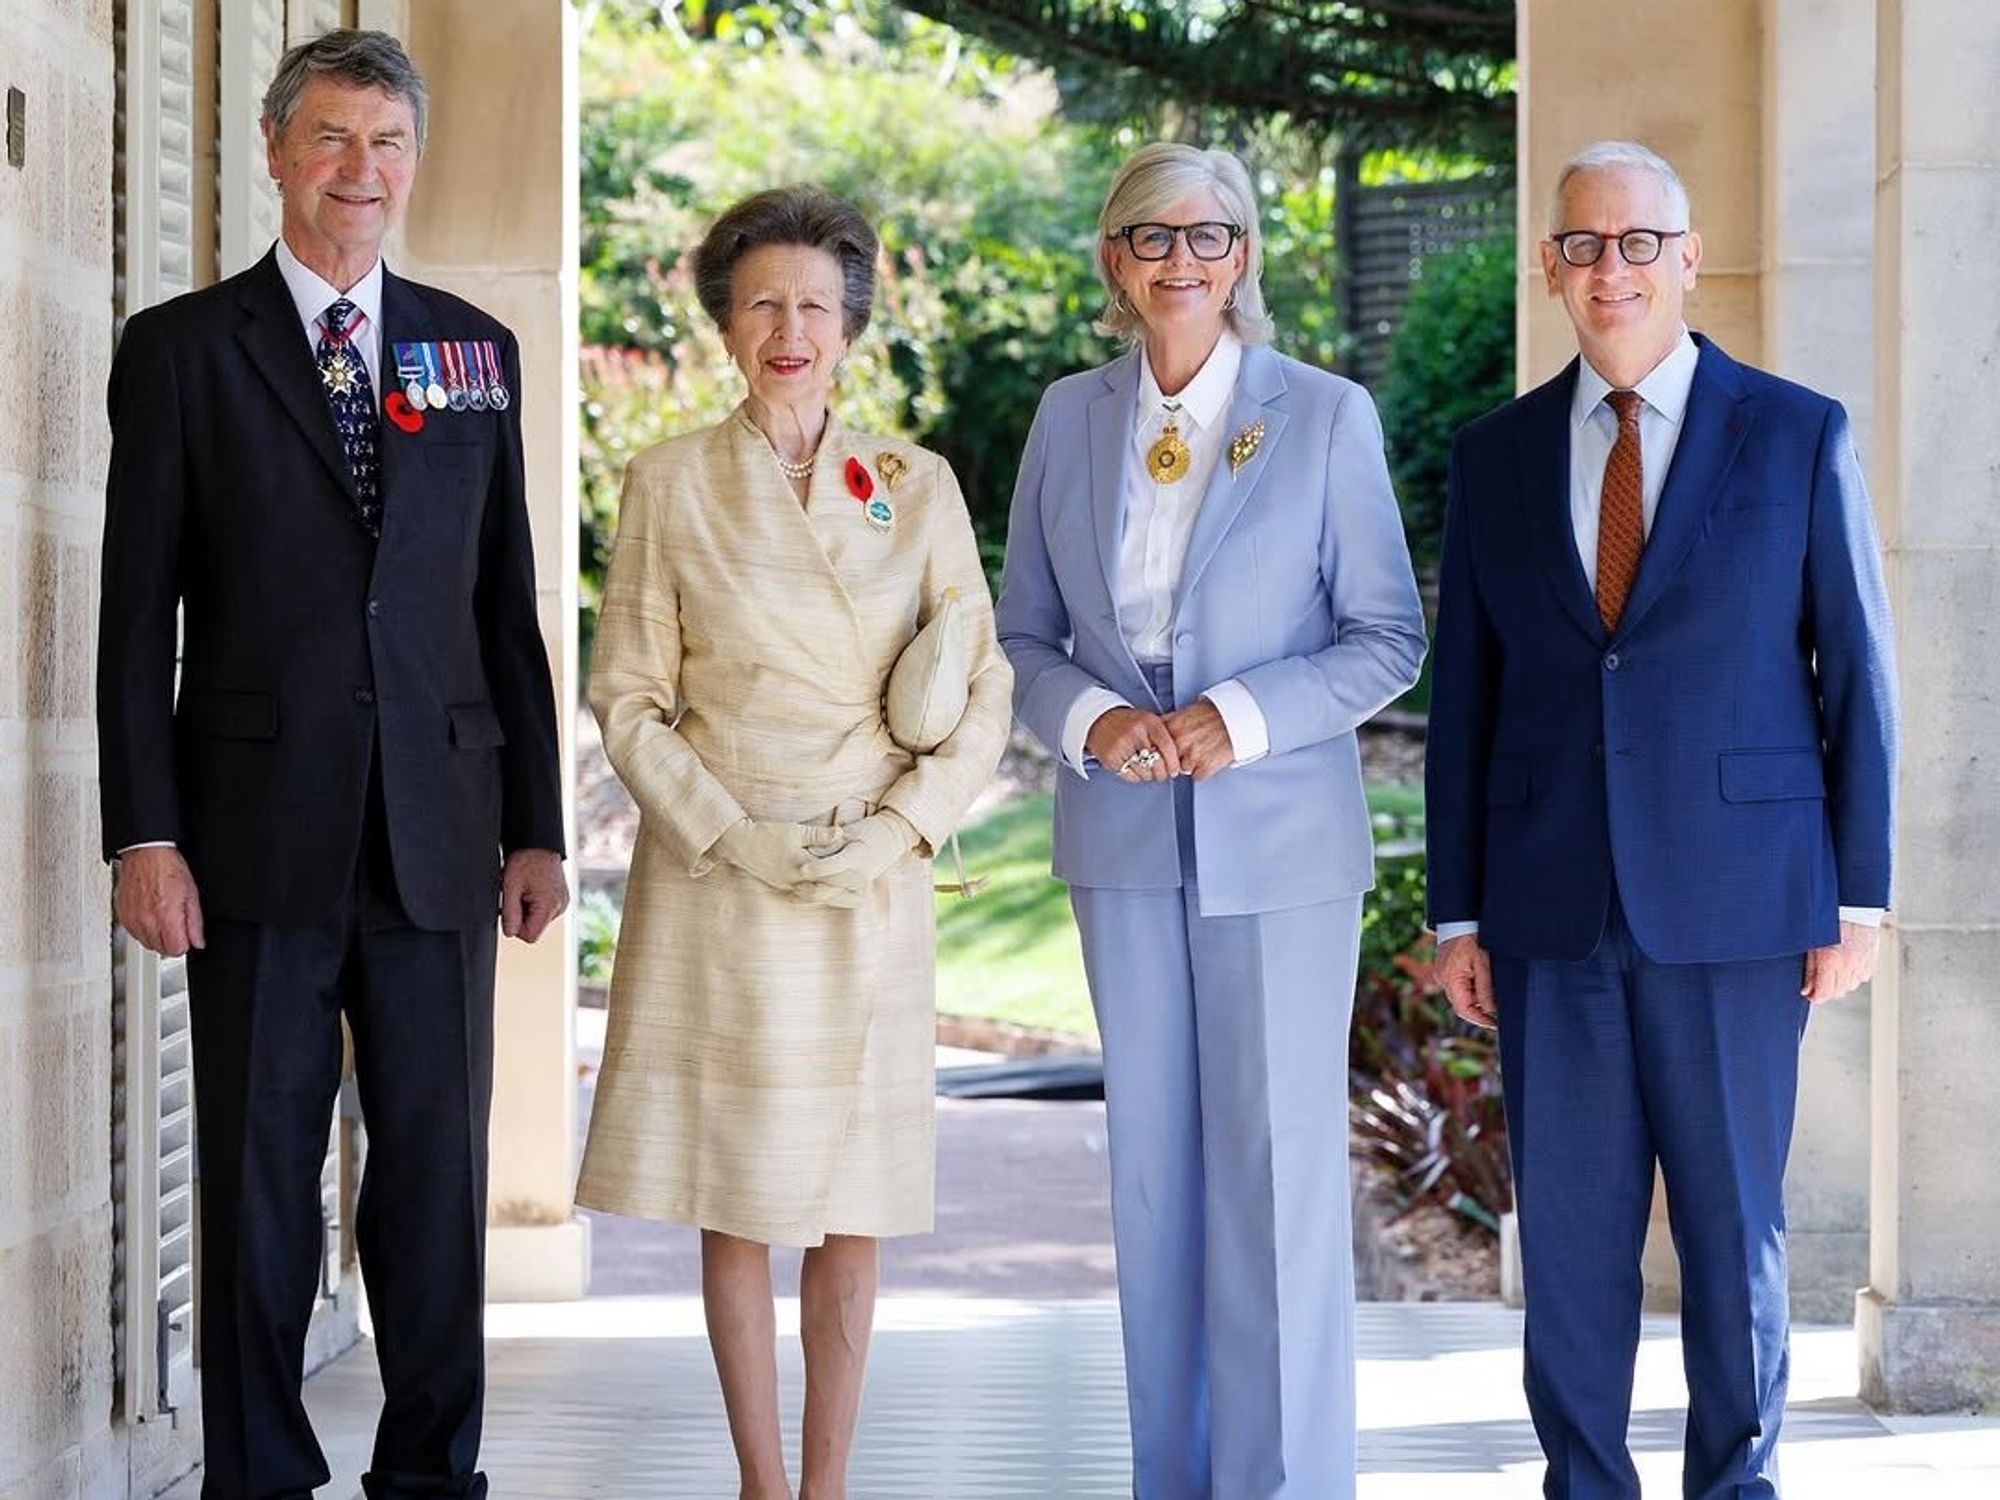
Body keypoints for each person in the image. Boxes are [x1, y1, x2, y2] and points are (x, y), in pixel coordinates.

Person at [96, 28, 568, 1500]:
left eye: (386, 144)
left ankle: (432, 1478)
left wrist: (539, 825)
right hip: (250, 836)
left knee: (433, 1190)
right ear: (275, 149)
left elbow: (505, 603)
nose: (360, 171)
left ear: (411, 162)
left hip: (440, 830)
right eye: (333, 139)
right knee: (254, 1184)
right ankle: (259, 1478)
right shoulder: (181, 351)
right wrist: (143, 835)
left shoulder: (466, 352)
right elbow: (132, 618)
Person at [1425, 140, 1897, 1498]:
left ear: (1687, 259)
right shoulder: (1497, 455)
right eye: (1583, 244)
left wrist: (1857, 896)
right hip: (1547, 902)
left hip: (1743, 903)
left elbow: (1858, 673)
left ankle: (1734, 1483)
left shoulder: (1798, 432)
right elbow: (1469, 695)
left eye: (1638, 243)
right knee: (1572, 1240)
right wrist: (1457, 910)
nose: (1610, 268)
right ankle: (1584, 1483)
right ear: (1554, 270)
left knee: (1736, 1224)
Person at [994, 142, 1427, 1499]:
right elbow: (1018, 633)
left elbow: (1386, 637)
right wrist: (1089, 721)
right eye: (1150, 238)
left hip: (1280, 842)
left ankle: (1284, 1484)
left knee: (1277, 1174)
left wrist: (1236, 717)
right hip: (1121, 838)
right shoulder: (1067, 417)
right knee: (1156, 1181)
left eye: (1210, 237)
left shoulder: (1326, 415)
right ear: (1114, 260)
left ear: (1246, 256)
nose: (1180, 262)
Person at [576, 185, 1011, 1500]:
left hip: (871, 877)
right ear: (722, 321)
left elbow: (980, 684)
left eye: (815, 306)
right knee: (742, 1191)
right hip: (728, 878)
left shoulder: (916, 485)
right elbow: (629, 698)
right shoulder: (667, 485)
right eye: (762, 301)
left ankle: (828, 1485)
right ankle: (762, 1482)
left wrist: (904, 829)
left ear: (852, 327)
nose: (790, 329)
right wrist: (728, 835)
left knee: (853, 1193)